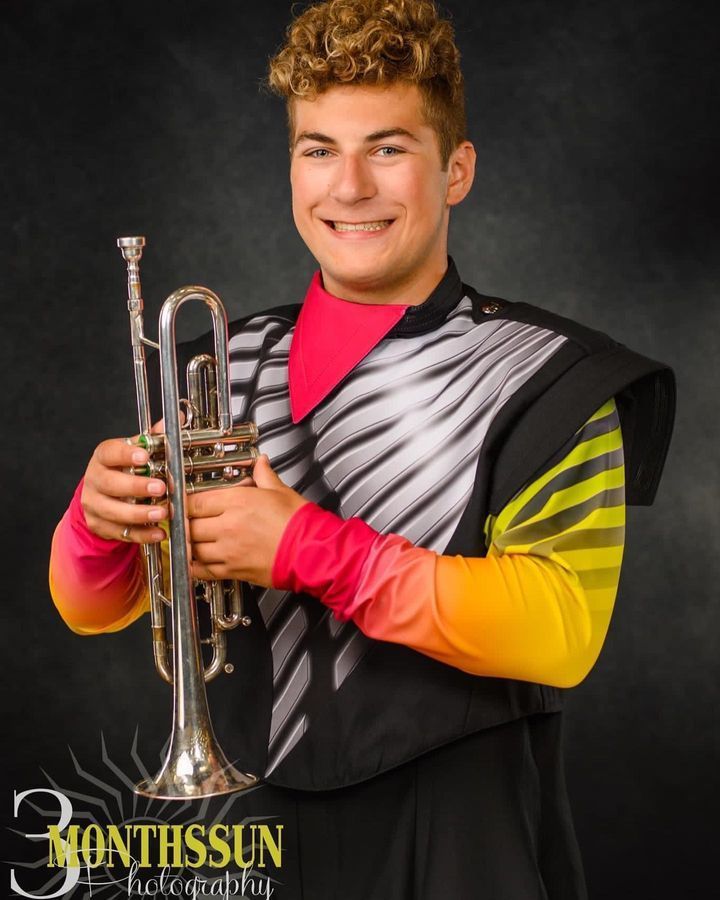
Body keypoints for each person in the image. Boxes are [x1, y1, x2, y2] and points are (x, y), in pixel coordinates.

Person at [49, 1, 675, 897]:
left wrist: (301, 548)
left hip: (462, 829)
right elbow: (90, 608)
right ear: (291, 166)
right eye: (318, 149)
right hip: (240, 819)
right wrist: (98, 522)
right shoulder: (215, 362)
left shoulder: (554, 377)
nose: (348, 188)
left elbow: (560, 631)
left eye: (387, 148)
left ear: (455, 169)